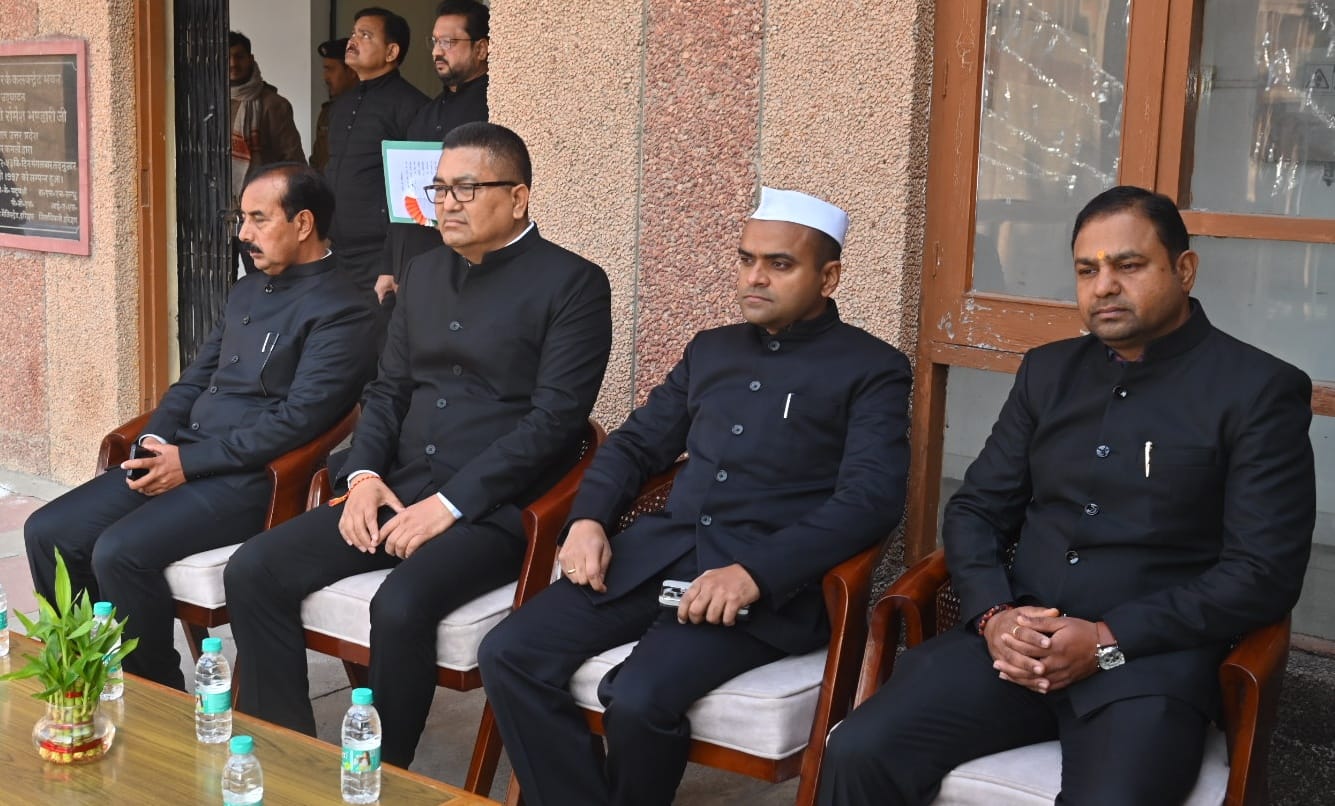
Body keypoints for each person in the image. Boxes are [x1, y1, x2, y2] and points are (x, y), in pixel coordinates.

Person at [818, 186, 1316, 806]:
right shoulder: (1048, 372)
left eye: (1128, 265)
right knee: (858, 751)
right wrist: (995, 617)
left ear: (1184, 270)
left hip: (1143, 668)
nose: (1104, 286)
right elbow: (976, 510)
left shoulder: (1257, 390)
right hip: (1014, 648)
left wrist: (1107, 637)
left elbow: (1263, 573)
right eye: (1087, 270)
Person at [479, 188, 913, 806]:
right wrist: (588, 521)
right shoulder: (712, 349)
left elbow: (870, 500)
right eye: (746, 259)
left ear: (829, 277)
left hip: (762, 586)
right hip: (655, 556)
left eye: (780, 264)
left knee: (638, 699)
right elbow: (634, 446)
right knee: (509, 652)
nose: (755, 277)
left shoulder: (872, 368)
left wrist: (756, 572)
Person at [224, 122, 613, 768]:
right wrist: (364, 476)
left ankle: (379, 774)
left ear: (518, 197)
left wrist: (451, 506)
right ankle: (286, 759)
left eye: (466, 188)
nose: (447, 204)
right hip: (399, 485)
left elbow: (554, 423)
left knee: (400, 603)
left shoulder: (573, 284)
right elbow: (387, 391)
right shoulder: (424, 271)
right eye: (439, 189)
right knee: (254, 569)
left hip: (498, 509)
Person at [24, 164, 378, 689]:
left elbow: (300, 420)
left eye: (258, 219)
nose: (244, 234)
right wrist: (154, 441)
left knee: (119, 552)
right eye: (242, 219)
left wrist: (188, 464)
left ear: (303, 223)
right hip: (184, 453)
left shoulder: (346, 308)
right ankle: (80, 678)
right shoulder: (247, 290)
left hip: (251, 478)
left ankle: (154, 698)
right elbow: (194, 380)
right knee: (48, 531)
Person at [376, 0, 491, 305]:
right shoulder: (425, 113)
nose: (437, 51)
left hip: (466, 267)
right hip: (412, 265)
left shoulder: (493, 110)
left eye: (449, 42)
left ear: (481, 49)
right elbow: (403, 194)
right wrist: (389, 265)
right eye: (435, 41)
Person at [324, 7, 428, 297]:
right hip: (336, 250)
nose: (352, 41)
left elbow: (414, 190)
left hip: (380, 255)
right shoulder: (342, 105)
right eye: (353, 33)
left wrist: (391, 262)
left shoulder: (412, 106)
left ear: (391, 51)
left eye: (366, 35)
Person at [229, 31, 306, 188]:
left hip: (264, 192)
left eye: (239, 57)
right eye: (226, 57)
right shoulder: (210, 103)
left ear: (251, 59)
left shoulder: (274, 105)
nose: (233, 63)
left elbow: (292, 160)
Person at [311, 38, 358, 173]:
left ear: (351, 71)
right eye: (325, 70)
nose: (325, 77)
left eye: (330, 70)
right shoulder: (327, 113)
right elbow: (317, 161)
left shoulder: (370, 110)